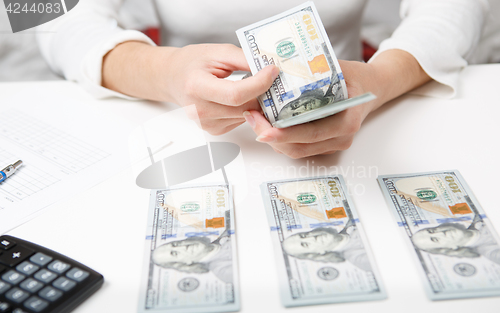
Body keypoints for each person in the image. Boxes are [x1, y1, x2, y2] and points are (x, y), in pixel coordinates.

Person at [36, 0, 489, 158]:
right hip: (168, 120)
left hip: (364, 114)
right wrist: (160, 70)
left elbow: (458, 4)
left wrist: (378, 81)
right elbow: (42, 12)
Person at [282, 224, 373, 272]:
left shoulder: (351, 222)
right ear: (318, 253)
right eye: (306, 244)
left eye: (303, 235)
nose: (311, 238)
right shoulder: (359, 258)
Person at [152, 233, 234, 283]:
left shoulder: (224, 231)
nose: (183, 247)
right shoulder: (223, 270)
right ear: (185, 263)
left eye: (174, 244)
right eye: (175, 253)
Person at [411, 221, 500, 265]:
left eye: (431, 230)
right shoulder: (492, 253)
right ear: (449, 248)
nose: (441, 233)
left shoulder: (479, 217)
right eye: (435, 239)